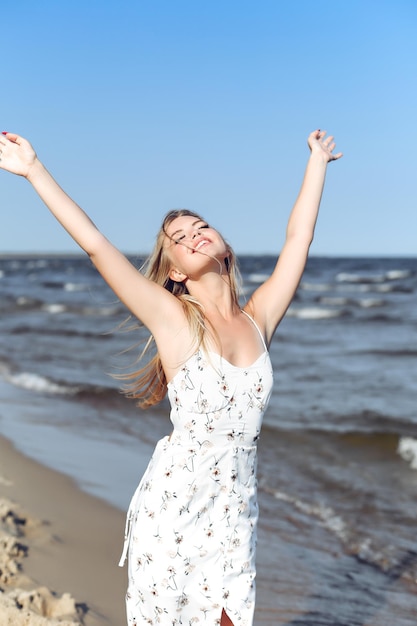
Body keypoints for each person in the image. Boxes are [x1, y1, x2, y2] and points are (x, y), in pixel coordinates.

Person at [0, 129, 342, 626]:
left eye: (200, 226)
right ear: (175, 271)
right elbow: (96, 246)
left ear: (223, 246)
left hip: (235, 510)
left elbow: (299, 240)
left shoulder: (259, 318)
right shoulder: (173, 321)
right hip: (174, 507)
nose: (194, 235)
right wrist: (34, 170)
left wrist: (316, 162)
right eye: (179, 240)